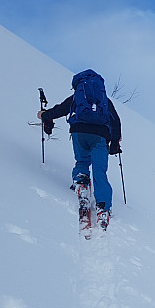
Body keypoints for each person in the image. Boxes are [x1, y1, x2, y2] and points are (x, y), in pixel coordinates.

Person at [38, 69, 122, 224]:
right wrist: (115, 143)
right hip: (100, 135)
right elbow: (116, 122)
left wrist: (44, 115)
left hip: (79, 132)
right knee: (100, 170)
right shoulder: (104, 100)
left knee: (82, 161)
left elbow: (61, 109)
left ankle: (82, 184)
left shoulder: (78, 96)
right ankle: (103, 208)